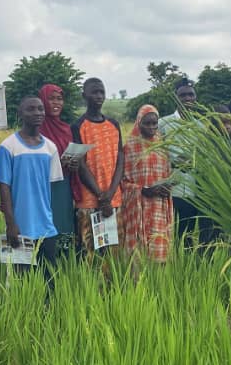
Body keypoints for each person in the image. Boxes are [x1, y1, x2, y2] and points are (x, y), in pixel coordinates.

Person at [0, 96, 63, 282]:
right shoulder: (8, 147)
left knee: (49, 281)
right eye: (31, 109)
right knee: (20, 281)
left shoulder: (50, 148)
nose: (38, 113)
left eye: (40, 109)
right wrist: (11, 224)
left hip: (46, 227)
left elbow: (51, 188)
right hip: (20, 228)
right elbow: (3, 187)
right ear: (20, 113)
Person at [159, 78, 218, 248]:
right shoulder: (164, 123)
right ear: (176, 98)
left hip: (194, 190)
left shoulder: (200, 126)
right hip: (172, 189)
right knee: (173, 234)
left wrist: (194, 161)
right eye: (183, 95)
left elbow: (204, 156)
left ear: (195, 97)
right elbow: (155, 154)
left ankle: (188, 267)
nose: (187, 99)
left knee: (190, 235)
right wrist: (173, 161)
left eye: (191, 95)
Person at [70, 78, 123, 252]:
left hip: (114, 199)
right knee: (89, 253)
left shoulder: (113, 125)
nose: (99, 96)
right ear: (84, 95)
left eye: (102, 92)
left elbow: (120, 157)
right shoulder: (78, 127)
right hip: (89, 202)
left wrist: (110, 193)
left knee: (113, 253)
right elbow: (81, 165)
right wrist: (101, 196)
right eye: (94, 92)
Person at [120, 105, 173, 263]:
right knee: (138, 256)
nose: (151, 127)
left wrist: (167, 187)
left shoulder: (162, 148)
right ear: (138, 123)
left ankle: (159, 285)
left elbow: (168, 174)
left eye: (154, 123)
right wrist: (143, 190)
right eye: (147, 123)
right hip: (138, 207)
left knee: (159, 253)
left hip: (158, 206)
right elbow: (122, 182)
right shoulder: (129, 149)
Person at [37, 83, 79, 254]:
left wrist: (74, 164)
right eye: (51, 98)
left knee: (64, 226)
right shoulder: (36, 130)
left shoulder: (66, 129)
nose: (56, 103)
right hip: (44, 189)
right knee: (46, 231)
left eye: (59, 99)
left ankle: (65, 268)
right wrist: (57, 166)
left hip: (64, 188)